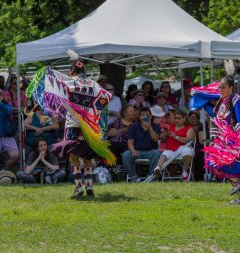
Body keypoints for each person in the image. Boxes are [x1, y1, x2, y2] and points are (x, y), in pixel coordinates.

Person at [190, 62, 240, 204]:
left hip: (234, 139)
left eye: (223, 87)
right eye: (220, 87)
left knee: (225, 165)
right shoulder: (222, 101)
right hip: (223, 138)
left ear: (231, 88)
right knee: (218, 164)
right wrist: (200, 99)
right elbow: (214, 115)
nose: (220, 89)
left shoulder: (236, 100)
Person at [49, 61, 113, 198]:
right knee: (87, 155)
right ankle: (89, 186)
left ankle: (78, 187)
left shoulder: (70, 82)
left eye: (69, 71)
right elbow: (108, 96)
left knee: (74, 155)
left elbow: (56, 88)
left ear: (72, 71)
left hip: (73, 124)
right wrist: (96, 111)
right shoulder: (93, 84)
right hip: (89, 125)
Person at [121, 107, 161, 182]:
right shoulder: (134, 126)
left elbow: (156, 139)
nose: (145, 116)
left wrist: (149, 128)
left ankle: (150, 177)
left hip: (150, 152)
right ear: (139, 117)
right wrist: (133, 150)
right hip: (137, 151)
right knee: (125, 155)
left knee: (157, 153)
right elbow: (130, 142)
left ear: (151, 116)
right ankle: (133, 178)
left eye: (147, 114)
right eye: (142, 115)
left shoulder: (155, 126)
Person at [154, 109, 195, 181]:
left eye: (179, 118)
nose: (176, 120)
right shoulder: (170, 127)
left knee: (187, 150)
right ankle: (158, 168)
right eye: (175, 118)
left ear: (184, 118)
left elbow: (189, 141)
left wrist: (175, 136)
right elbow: (163, 140)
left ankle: (184, 171)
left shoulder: (189, 128)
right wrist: (163, 136)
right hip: (171, 150)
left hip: (182, 149)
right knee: (164, 154)